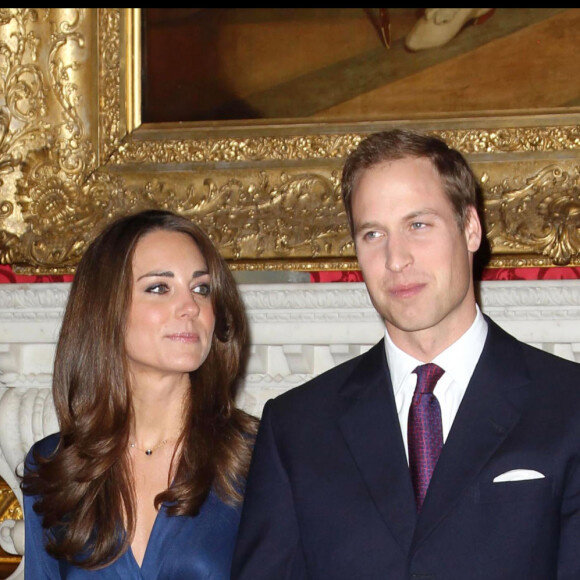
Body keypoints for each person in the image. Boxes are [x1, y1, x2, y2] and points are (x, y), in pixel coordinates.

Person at [232, 129, 580, 579]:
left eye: (418, 225)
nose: (396, 258)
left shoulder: (569, 405)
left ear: (470, 228)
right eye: (373, 233)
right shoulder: (296, 428)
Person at [21, 209, 257, 578]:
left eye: (202, 288)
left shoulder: (255, 458)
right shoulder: (54, 467)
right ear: (105, 310)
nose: (191, 307)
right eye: (159, 288)